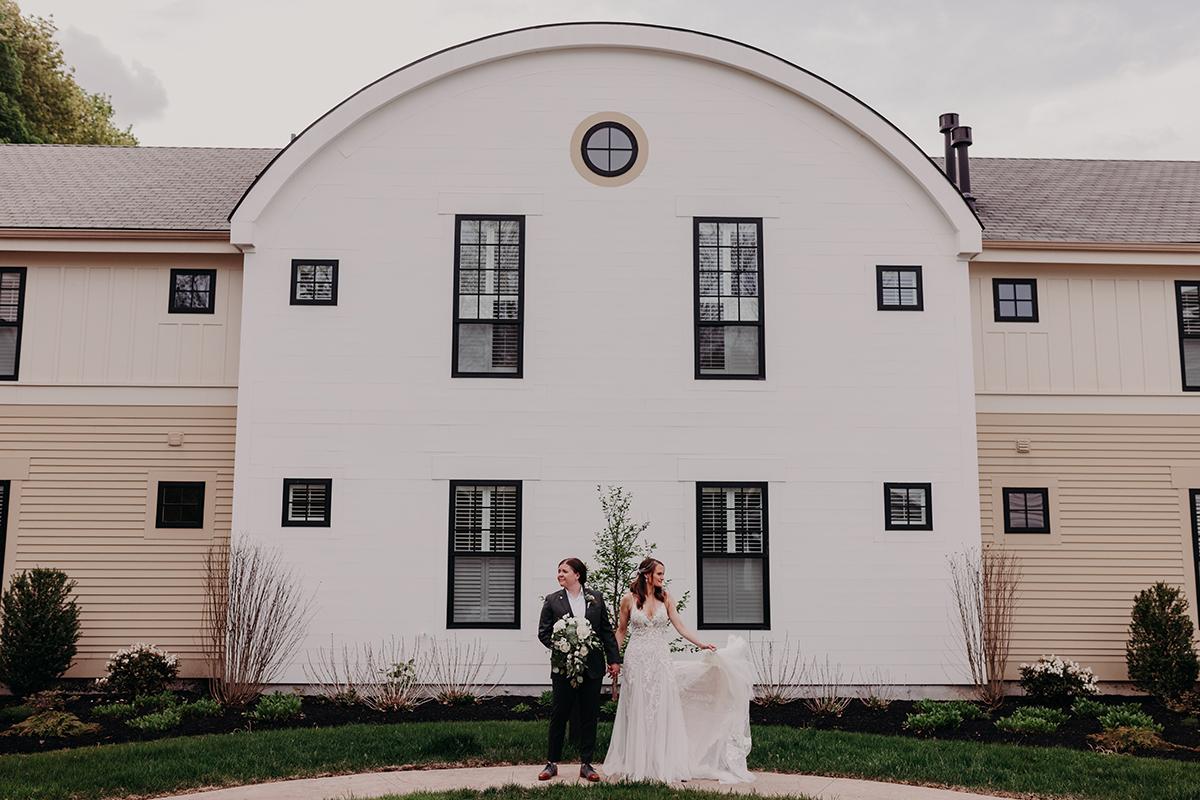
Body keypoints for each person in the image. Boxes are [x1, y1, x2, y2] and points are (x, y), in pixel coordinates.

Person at [602, 557, 755, 784]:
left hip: (660, 659)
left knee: (660, 707)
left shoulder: (666, 598)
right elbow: (622, 630)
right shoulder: (628, 599)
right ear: (647, 575)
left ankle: (660, 762)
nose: (663, 578)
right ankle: (637, 763)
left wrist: (701, 644)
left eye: (663, 574)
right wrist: (613, 659)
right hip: (637, 660)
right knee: (638, 708)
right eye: (659, 574)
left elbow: (680, 626)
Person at [536, 557, 621, 782]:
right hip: (563, 668)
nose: (560, 575)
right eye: (558, 571)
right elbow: (543, 632)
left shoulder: (596, 599)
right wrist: (564, 646)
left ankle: (586, 764)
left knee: (589, 714)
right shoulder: (553, 600)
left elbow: (606, 632)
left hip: (591, 666)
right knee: (559, 713)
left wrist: (614, 660)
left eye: (564, 571)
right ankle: (552, 763)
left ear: (577, 575)